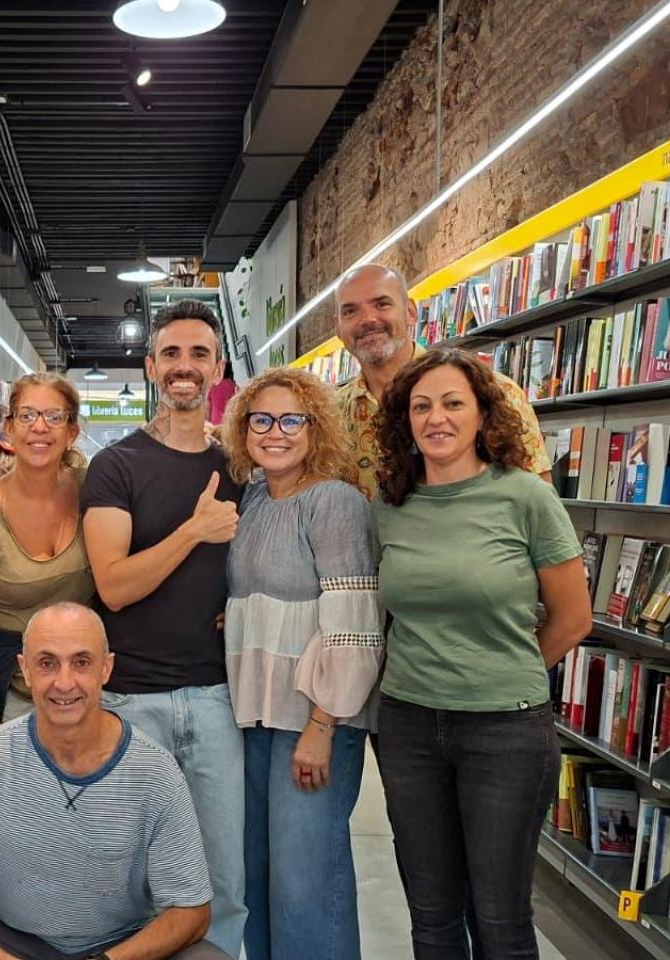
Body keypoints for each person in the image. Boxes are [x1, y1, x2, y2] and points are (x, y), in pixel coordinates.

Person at [368, 348, 592, 960]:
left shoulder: (525, 497)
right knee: (432, 914)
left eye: (452, 403)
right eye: (420, 406)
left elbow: (574, 619)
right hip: (408, 726)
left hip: (505, 730)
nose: (435, 418)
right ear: (404, 422)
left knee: (500, 918)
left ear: (482, 414)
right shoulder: (389, 505)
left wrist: (502, 670)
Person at [0, 603, 229, 960]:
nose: (64, 682)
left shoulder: (155, 773)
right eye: (47, 663)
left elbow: (190, 913)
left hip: (120, 945)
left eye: (81, 662)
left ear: (106, 668)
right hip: (11, 942)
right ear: (26, 670)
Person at [82, 299, 246, 954]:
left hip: (218, 701)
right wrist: (194, 531)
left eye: (199, 354)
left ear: (219, 368)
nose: (185, 367)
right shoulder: (116, 467)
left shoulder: (243, 468)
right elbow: (114, 587)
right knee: (132, 882)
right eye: (172, 354)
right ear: (151, 367)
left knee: (224, 881)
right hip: (132, 702)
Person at [221, 367, 381, 960]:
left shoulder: (335, 503)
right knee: (258, 877)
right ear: (244, 429)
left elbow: (355, 625)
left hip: (311, 721)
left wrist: (322, 725)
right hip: (254, 716)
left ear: (317, 429)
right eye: (262, 419)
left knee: (307, 882)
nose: (276, 432)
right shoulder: (256, 495)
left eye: (293, 420)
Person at [0, 373, 95, 741]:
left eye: (54, 417)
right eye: (28, 415)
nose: (40, 428)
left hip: (84, 687)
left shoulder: (93, 489)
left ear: (72, 432)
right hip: (11, 689)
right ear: (9, 428)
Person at [333, 263, 550, 499]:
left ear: (410, 312)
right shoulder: (328, 416)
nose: (367, 319)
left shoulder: (494, 392)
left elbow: (541, 506)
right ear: (338, 328)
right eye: (350, 311)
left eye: (382, 304)